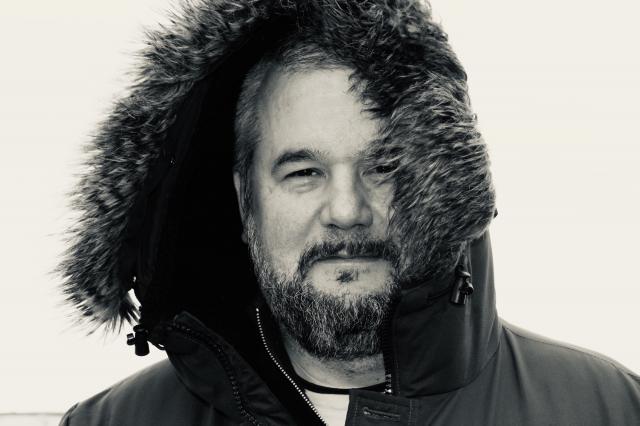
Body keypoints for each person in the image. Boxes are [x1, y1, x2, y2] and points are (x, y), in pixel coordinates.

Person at [57, 0, 640, 425]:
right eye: (303, 172)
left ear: (446, 182)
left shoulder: (607, 409)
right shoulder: (113, 422)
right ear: (243, 199)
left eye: (382, 167)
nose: (345, 210)